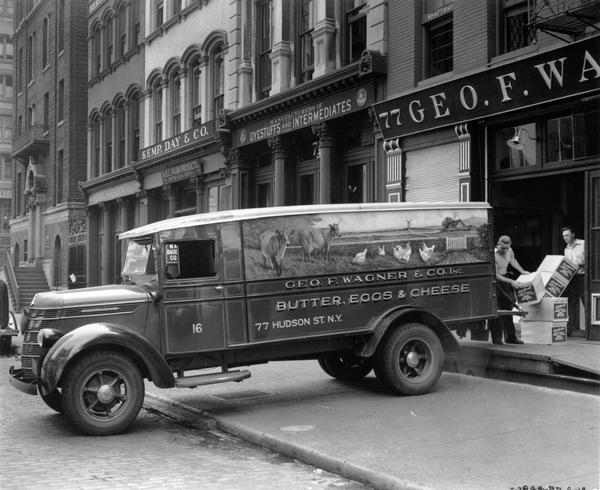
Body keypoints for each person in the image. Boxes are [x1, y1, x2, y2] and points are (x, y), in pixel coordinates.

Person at [489, 235, 529, 345]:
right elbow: (495, 274)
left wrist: (522, 271)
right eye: (503, 248)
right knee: (496, 310)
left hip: (504, 278)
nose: (505, 250)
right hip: (494, 281)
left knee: (507, 309)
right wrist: (511, 281)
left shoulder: (509, 250)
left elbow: (512, 260)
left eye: (507, 248)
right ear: (498, 244)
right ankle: (497, 339)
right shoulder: (493, 254)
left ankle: (511, 337)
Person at [561, 226, 585, 336]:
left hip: (584, 277)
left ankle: (593, 330)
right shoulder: (566, 249)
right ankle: (569, 330)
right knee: (571, 304)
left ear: (573, 235)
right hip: (572, 279)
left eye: (567, 235)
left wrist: (580, 262)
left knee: (587, 303)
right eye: (564, 236)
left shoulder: (583, 244)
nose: (565, 237)